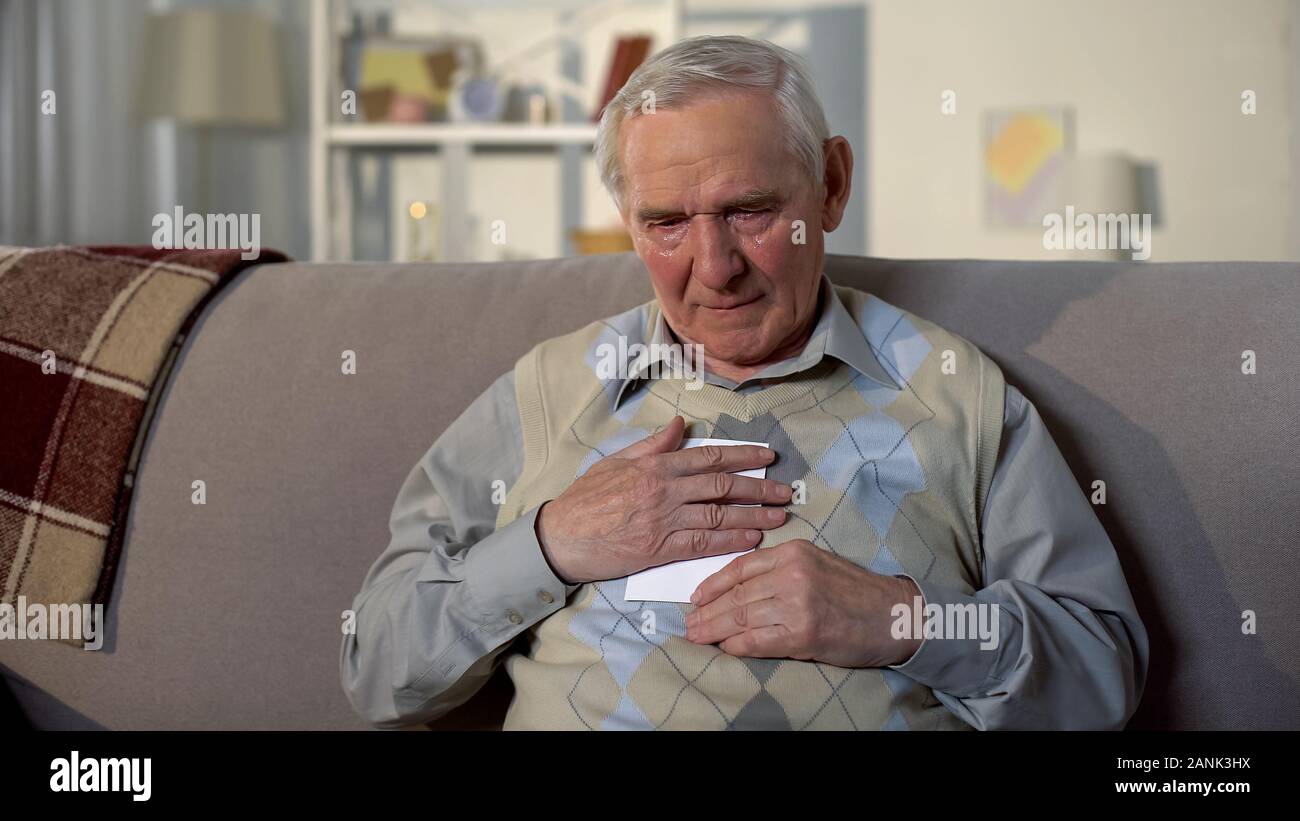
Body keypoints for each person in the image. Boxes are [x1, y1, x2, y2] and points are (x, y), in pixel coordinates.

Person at [340, 35, 1148, 730]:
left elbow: (1101, 672)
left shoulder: (955, 391)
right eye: (666, 224)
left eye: (751, 212)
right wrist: (549, 545)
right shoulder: (551, 388)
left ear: (830, 186)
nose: (715, 270)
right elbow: (378, 667)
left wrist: (904, 619)